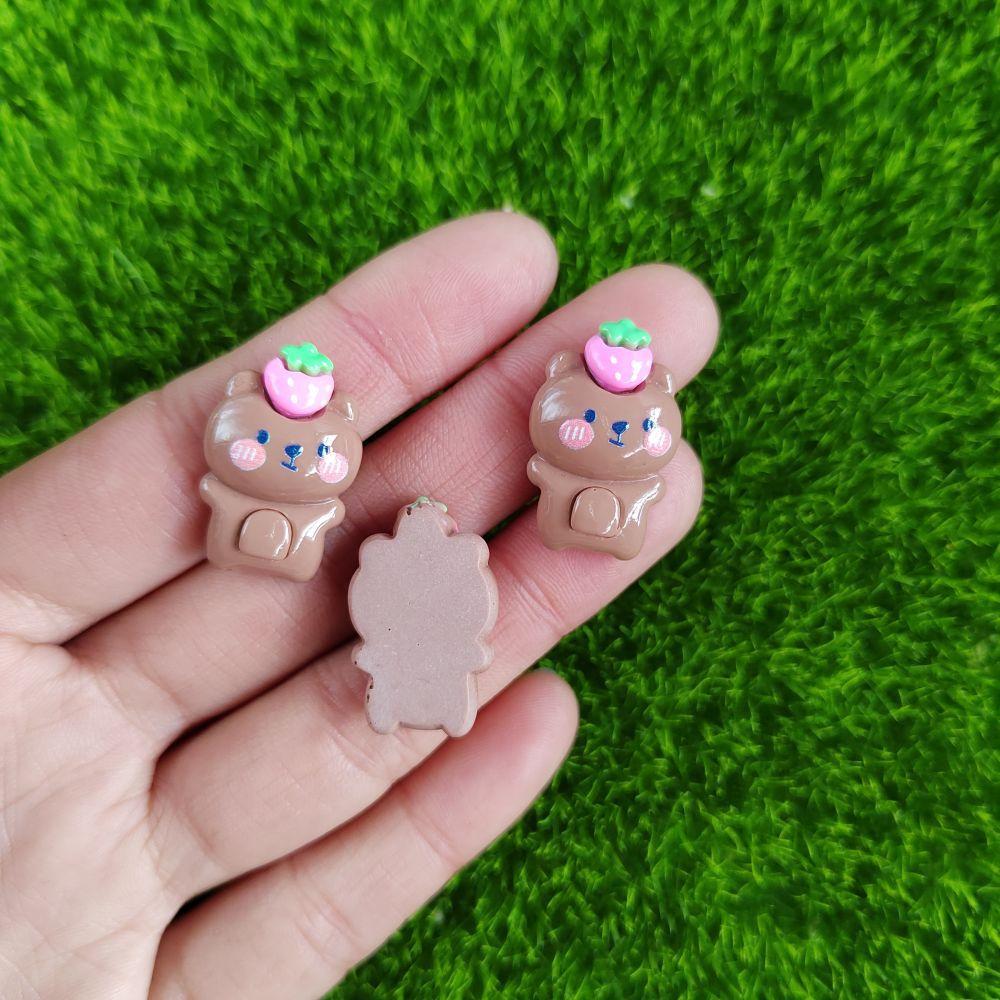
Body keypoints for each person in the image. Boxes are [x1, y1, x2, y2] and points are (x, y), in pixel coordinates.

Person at [0, 212, 718, 998]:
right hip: (359, 600)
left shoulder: (435, 563)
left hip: (422, 623)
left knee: (429, 669)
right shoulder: (374, 551)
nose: (287, 453)